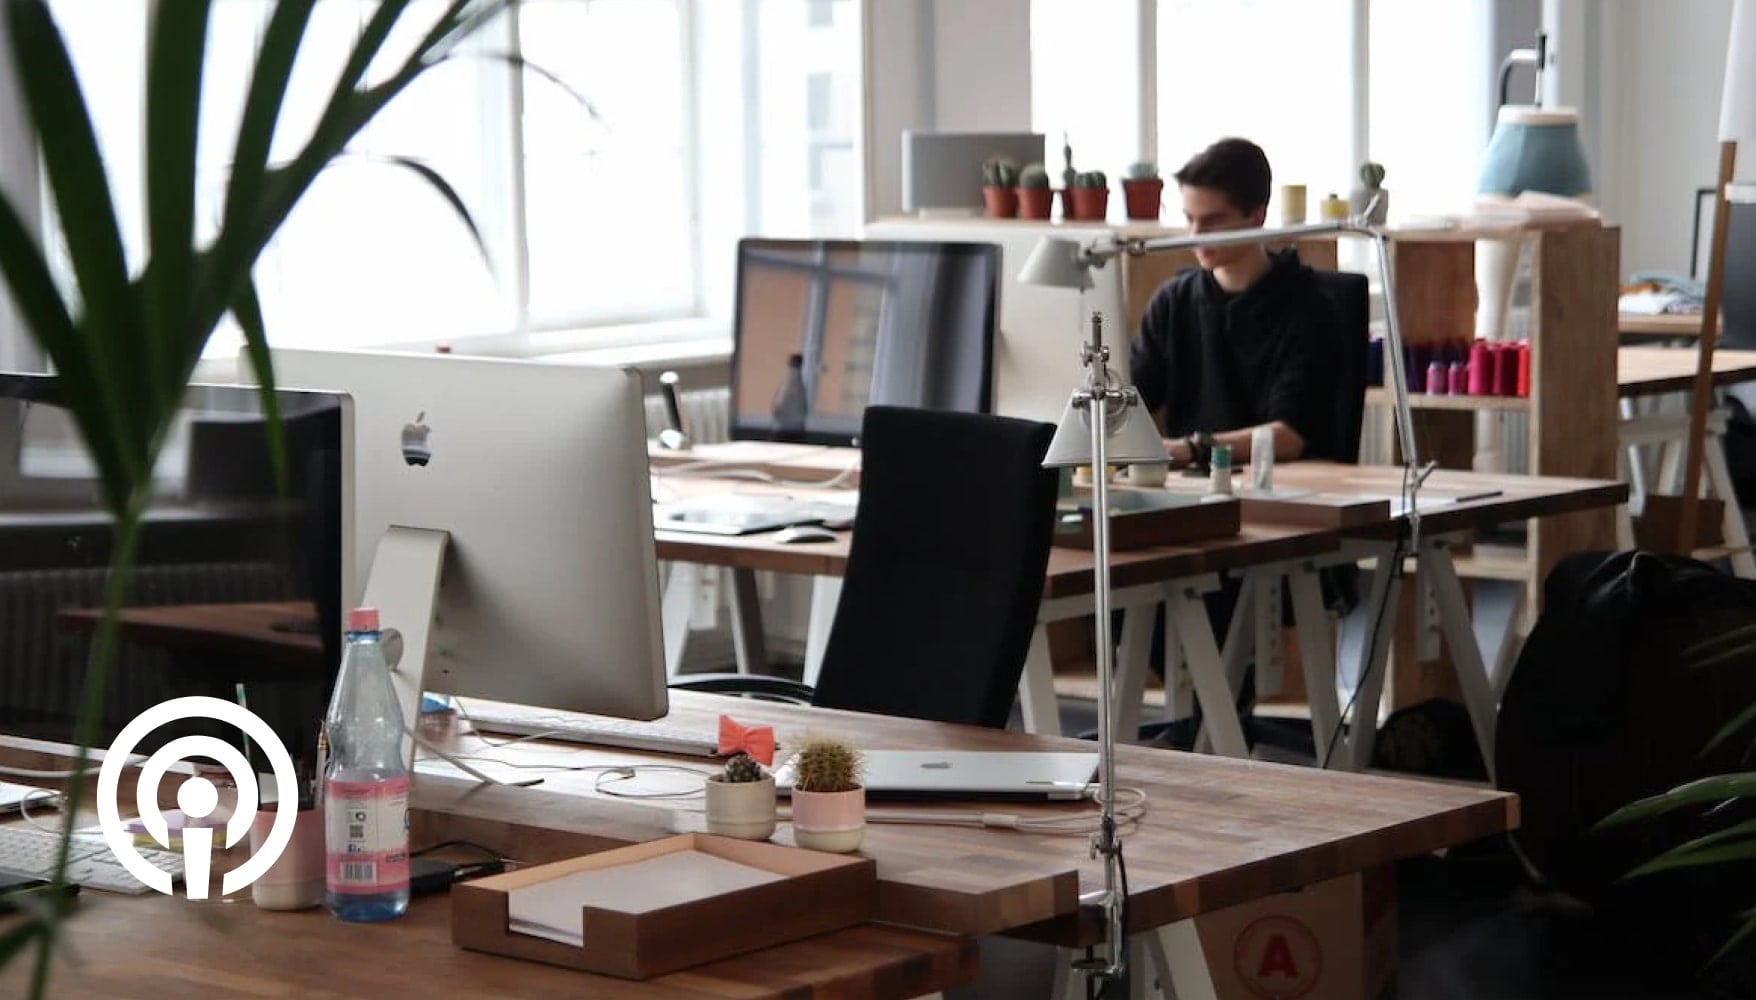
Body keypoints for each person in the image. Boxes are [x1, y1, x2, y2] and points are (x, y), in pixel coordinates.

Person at [1129, 137, 1344, 468]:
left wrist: (1192, 449)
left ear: (1257, 216)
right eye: (1189, 219)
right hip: (1186, 491)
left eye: (1212, 221)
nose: (1196, 234)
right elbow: (1130, 402)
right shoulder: (1172, 302)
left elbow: (1289, 435)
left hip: (1281, 491)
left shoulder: (1311, 308)